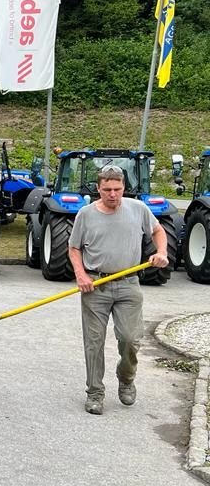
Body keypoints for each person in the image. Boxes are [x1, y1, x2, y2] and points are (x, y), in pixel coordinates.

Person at [67, 165, 169, 415]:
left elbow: (158, 231)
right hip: (95, 286)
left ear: (124, 188)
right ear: (98, 189)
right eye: (107, 190)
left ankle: (126, 379)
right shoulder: (85, 214)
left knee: (130, 339)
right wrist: (81, 274)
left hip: (128, 284)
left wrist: (161, 252)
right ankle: (95, 393)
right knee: (94, 343)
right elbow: (74, 248)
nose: (112, 194)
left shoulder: (138, 209)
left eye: (117, 189)